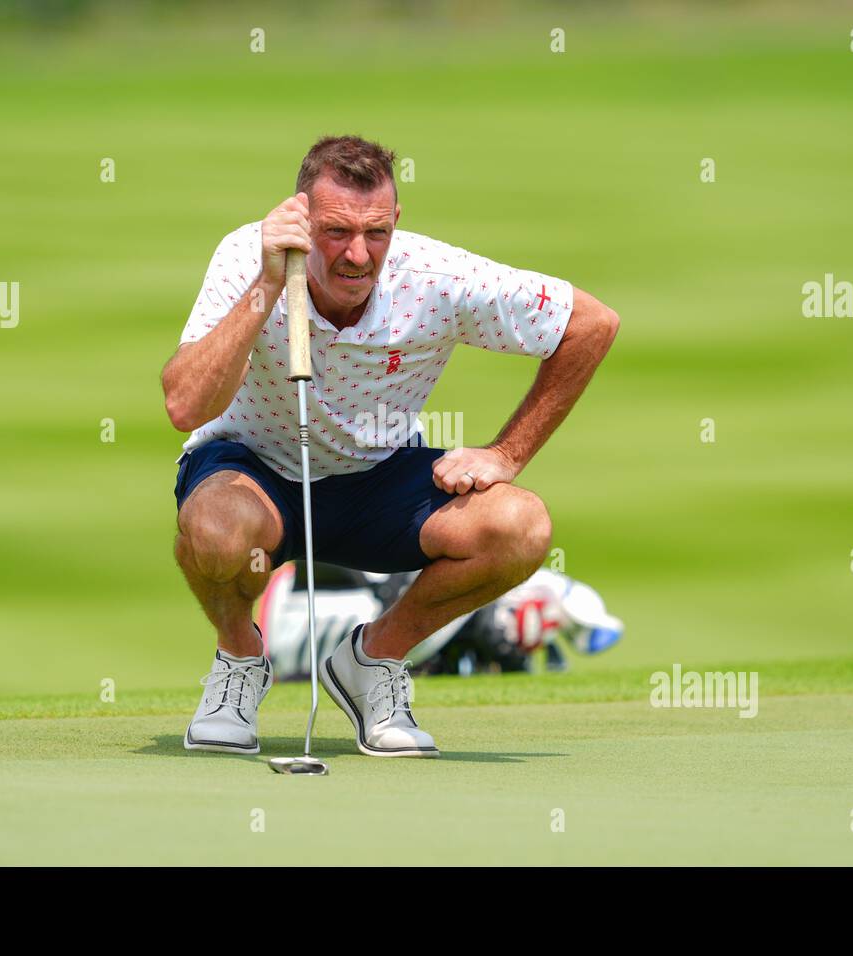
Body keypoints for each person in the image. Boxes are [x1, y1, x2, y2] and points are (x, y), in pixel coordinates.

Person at [161, 135, 618, 758]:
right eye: (335, 231)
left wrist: (506, 453)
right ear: (300, 215)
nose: (357, 254)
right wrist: (268, 283)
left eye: (375, 232)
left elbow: (591, 324)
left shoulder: (435, 277)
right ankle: (240, 661)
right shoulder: (248, 255)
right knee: (215, 530)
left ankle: (372, 661)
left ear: (395, 220)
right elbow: (184, 405)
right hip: (253, 468)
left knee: (521, 525)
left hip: (379, 477)